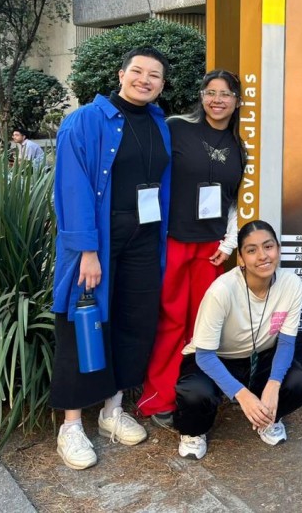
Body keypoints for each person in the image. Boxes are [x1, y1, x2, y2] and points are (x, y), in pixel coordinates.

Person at [51, 47, 172, 470]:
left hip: (144, 239)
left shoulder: (159, 123)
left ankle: (111, 411)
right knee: (83, 324)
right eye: (137, 71)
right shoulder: (85, 120)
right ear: (121, 75)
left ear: (161, 84)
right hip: (99, 241)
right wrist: (87, 250)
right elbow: (72, 187)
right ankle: (70, 426)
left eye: (154, 75)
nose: (145, 79)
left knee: (132, 323)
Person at [138, 70, 245, 427]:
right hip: (172, 241)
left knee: (205, 326)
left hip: (212, 249)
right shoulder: (176, 127)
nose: (217, 100)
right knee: (170, 322)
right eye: (210, 92)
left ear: (237, 100)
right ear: (201, 96)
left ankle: (197, 395)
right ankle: (158, 399)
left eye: (225, 94)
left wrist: (230, 243)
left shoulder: (239, 144)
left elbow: (235, 201)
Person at [173, 220, 302, 460]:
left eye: (268, 247)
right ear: (240, 259)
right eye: (251, 250)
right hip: (215, 359)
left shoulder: (291, 284)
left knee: (296, 380)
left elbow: (287, 343)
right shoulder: (222, 290)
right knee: (195, 393)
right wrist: (242, 395)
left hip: (259, 357)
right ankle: (194, 432)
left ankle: (268, 418)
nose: (262, 256)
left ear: (277, 249)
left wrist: (273, 384)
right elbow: (204, 355)